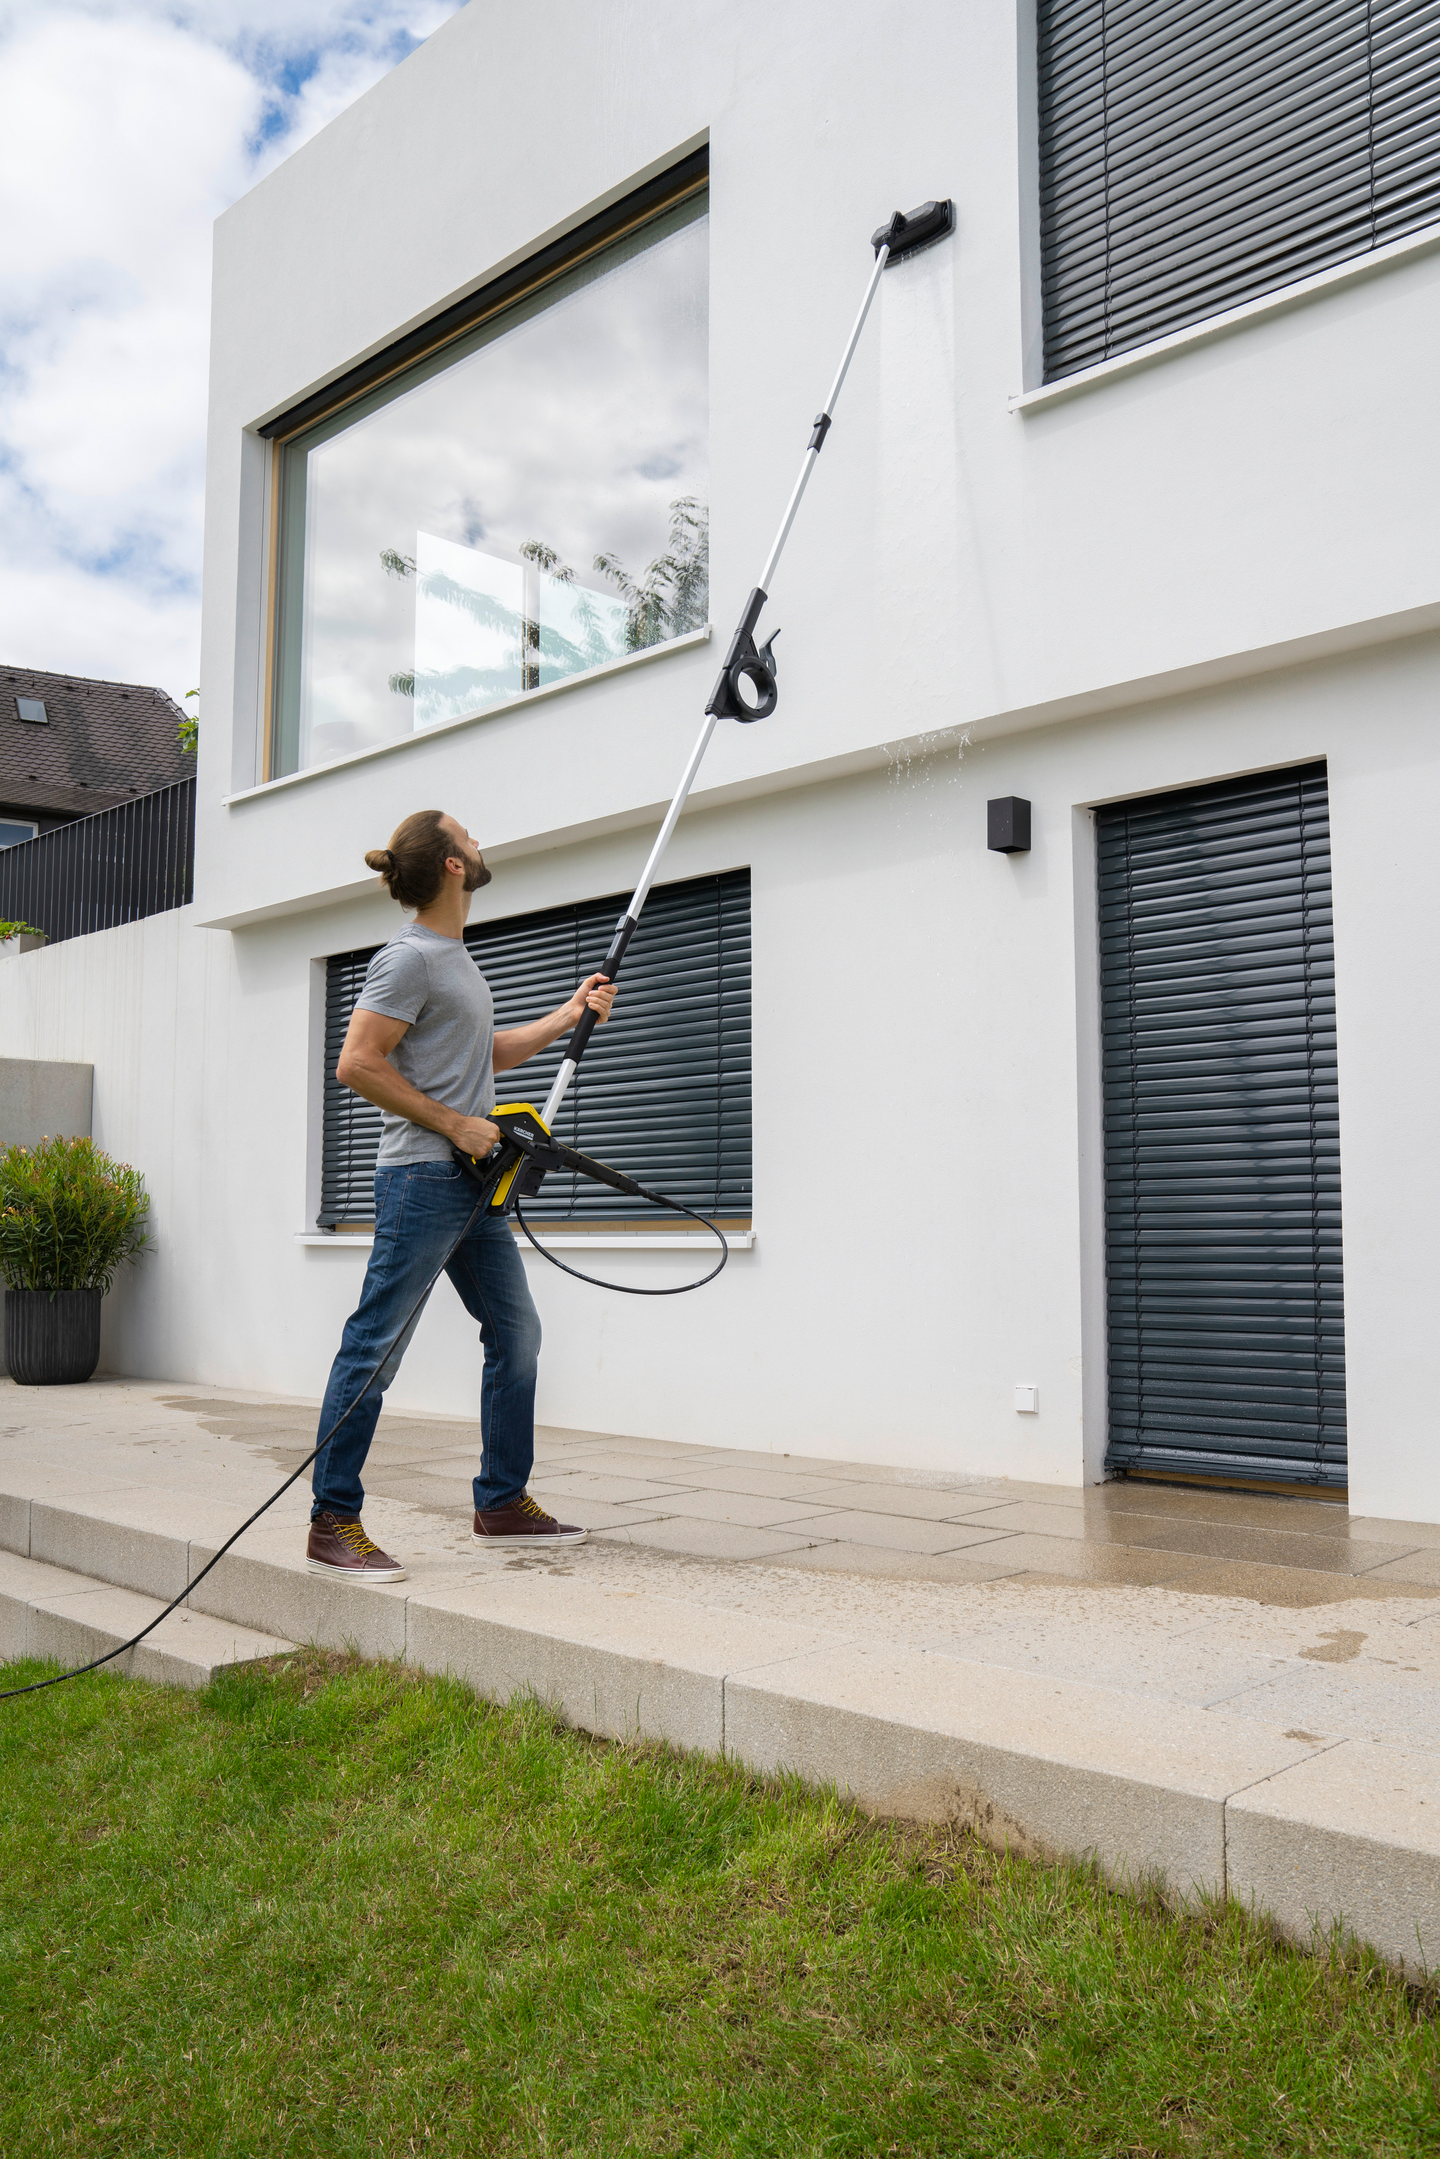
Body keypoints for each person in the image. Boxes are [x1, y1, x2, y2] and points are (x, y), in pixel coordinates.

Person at [305, 808, 616, 1583]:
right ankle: (331, 1518)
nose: (479, 841)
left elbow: (483, 1057)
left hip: (471, 1185)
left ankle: (501, 1502)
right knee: (375, 1346)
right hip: (422, 1177)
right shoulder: (407, 958)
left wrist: (568, 1014)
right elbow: (357, 1063)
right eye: (467, 834)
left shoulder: (454, 958)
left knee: (517, 1335)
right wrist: (455, 1124)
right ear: (450, 863)